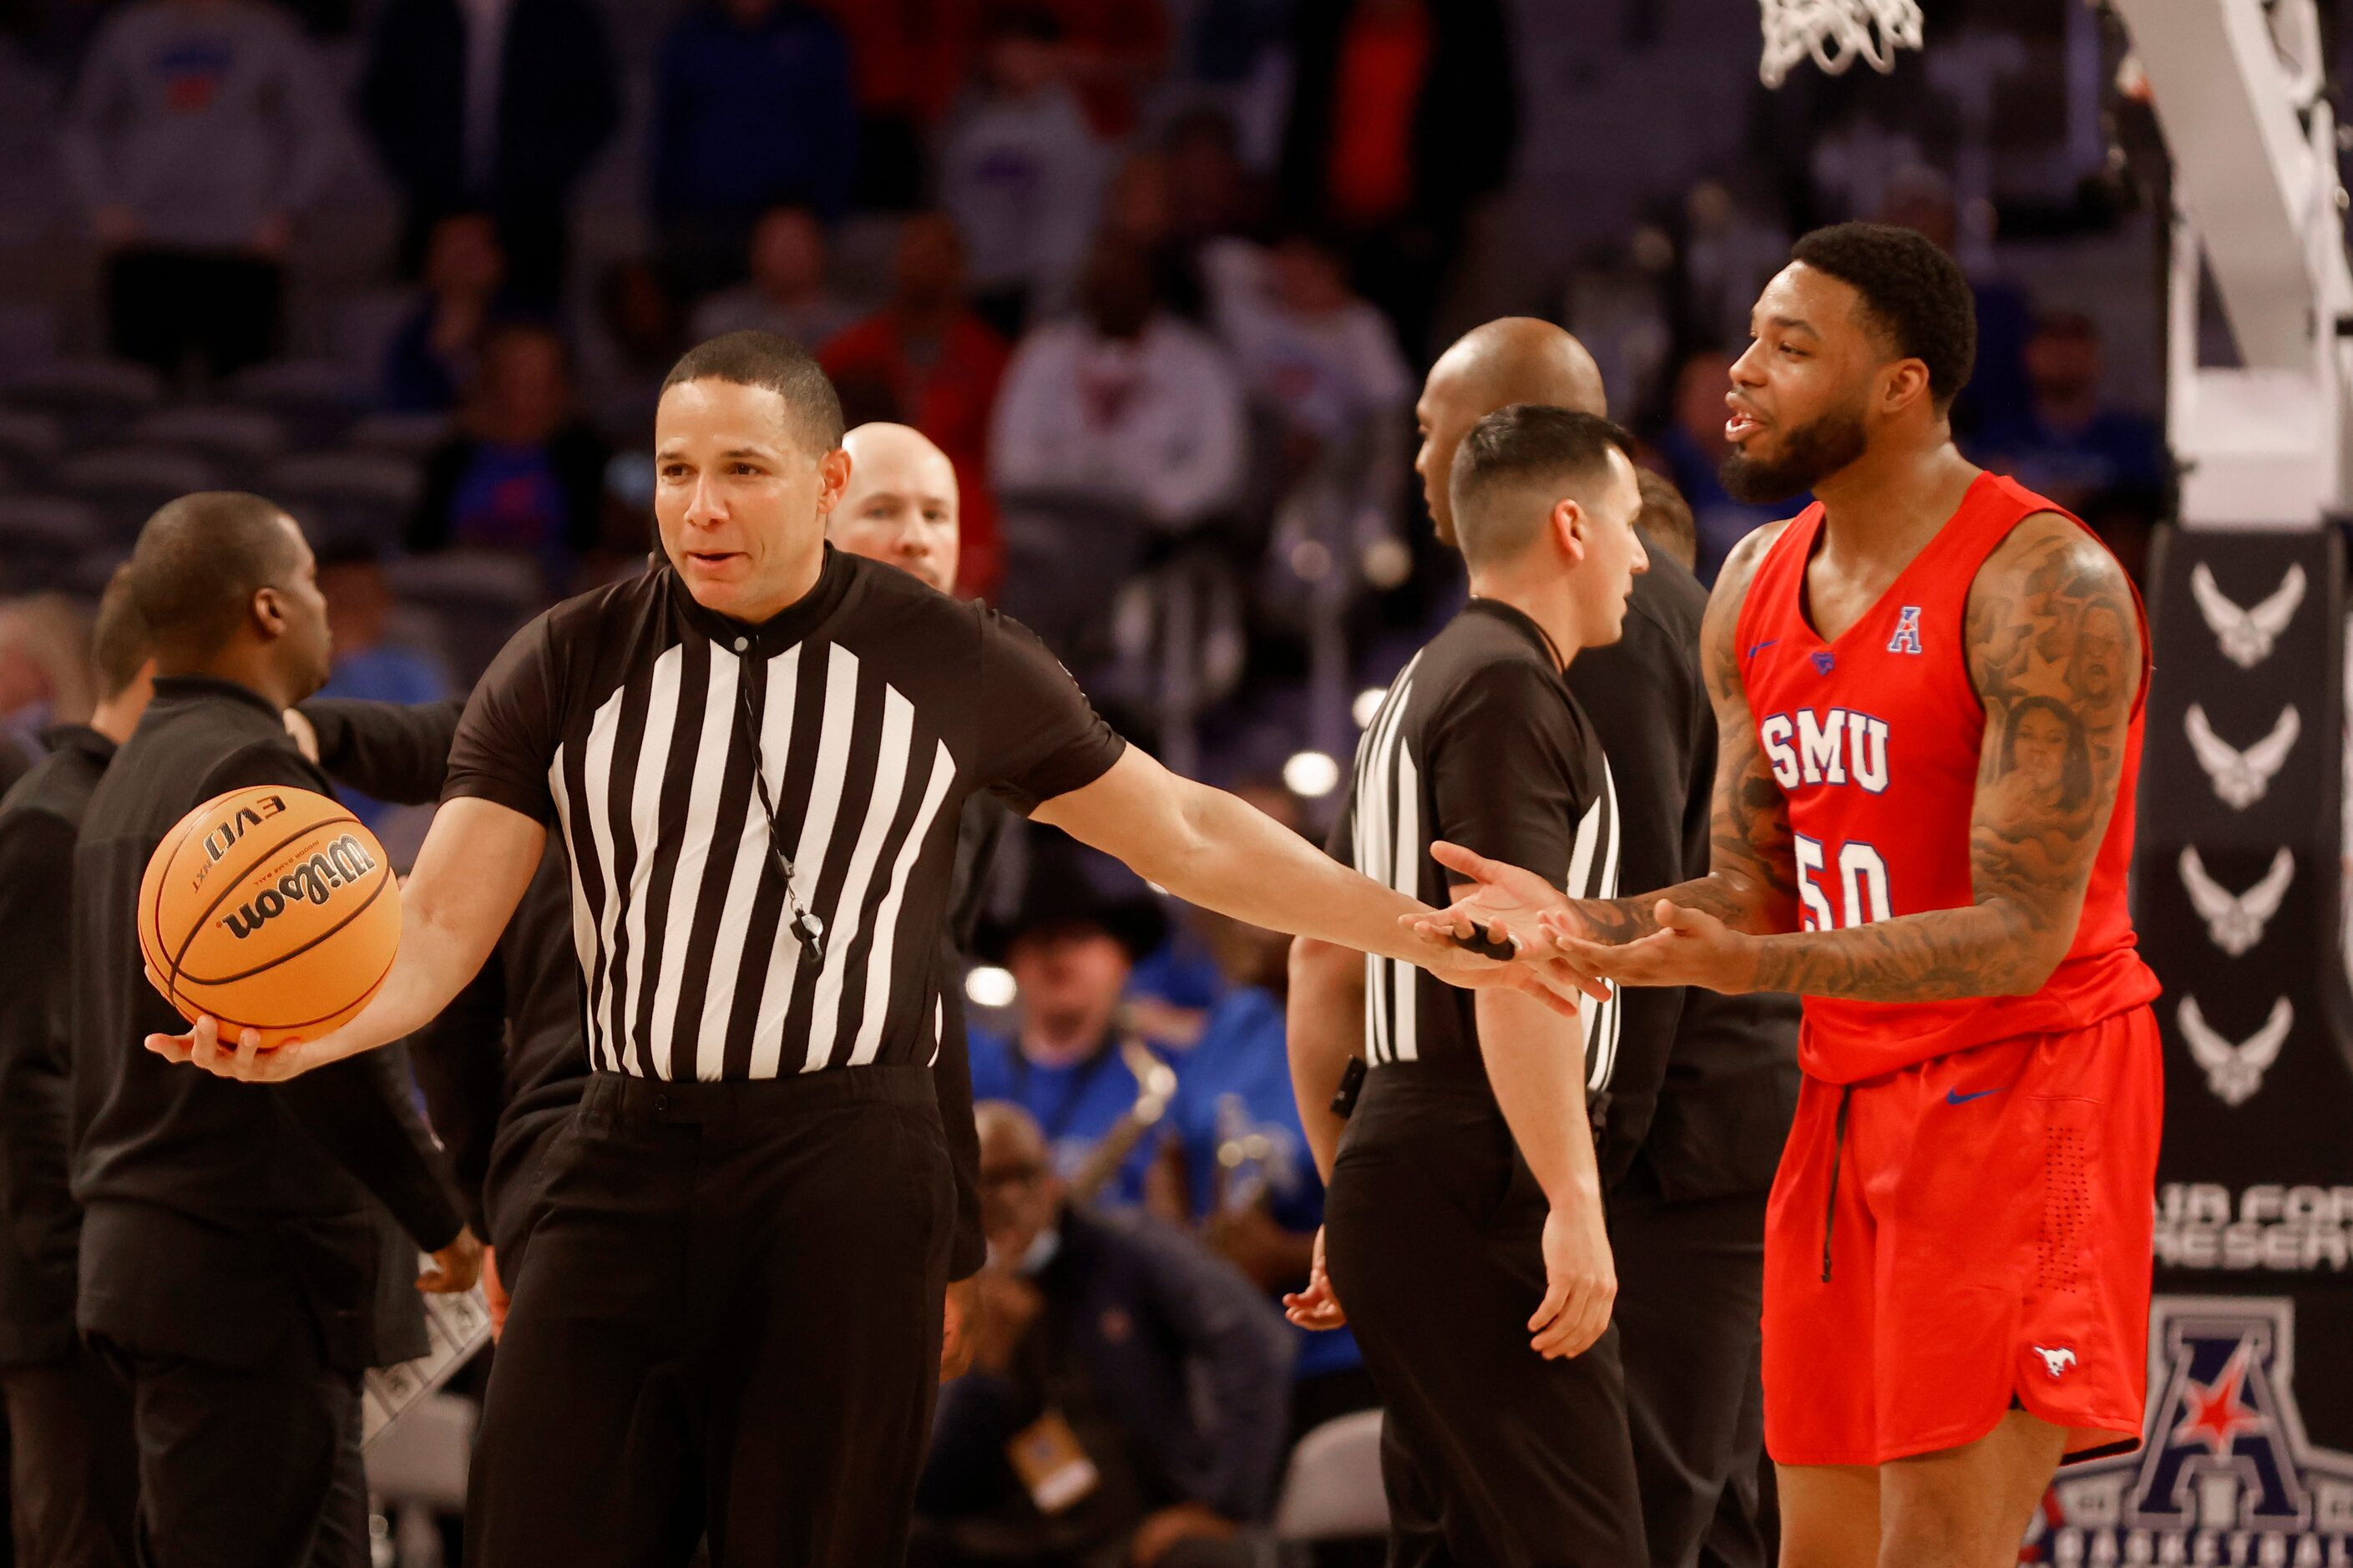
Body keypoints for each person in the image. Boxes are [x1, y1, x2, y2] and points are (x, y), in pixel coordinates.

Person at [150, 330, 1547, 1567]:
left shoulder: (950, 657)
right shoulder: (565, 659)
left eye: (743, 469)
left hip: (845, 1159)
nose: (700, 504)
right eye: (674, 468)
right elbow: (443, 921)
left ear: (824, 486)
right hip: (620, 1143)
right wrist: (309, 1032)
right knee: (538, 1519)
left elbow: (1183, 829)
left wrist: (1409, 926)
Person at [1419, 224, 2163, 1568]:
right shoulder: (1755, 580)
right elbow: (1753, 887)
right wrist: (1583, 924)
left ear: (1901, 385)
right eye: (1751, 336)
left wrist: (1740, 970)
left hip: (2022, 1082)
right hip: (1841, 1090)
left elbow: (2021, 933)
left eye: (1789, 346)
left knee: (1936, 1546)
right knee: (1810, 1545)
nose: (1740, 372)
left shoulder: (2043, 583)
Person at [1396, 316, 1799, 1567]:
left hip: (1669, 1142)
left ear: (1511, 445)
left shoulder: (1604, 633)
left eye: (1432, 433)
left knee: (1642, 1507)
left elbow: (1626, 918)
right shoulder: (1614, 620)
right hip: (1709, 1131)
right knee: (1714, 1507)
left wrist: (1579, 1179)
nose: (1420, 464)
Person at [73, 493, 483, 1568]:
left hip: (160, 1255)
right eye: (309, 584)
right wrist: (441, 1216)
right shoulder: (249, 782)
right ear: (267, 608)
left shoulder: (127, 774)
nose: (323, 610)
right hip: (246, 1275)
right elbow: (325, 1047)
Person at [1285, 403, 1650, 1566]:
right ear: (1571, 526)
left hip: (1405, 1150)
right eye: (1631, 524)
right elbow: (1509, 959)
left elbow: (1317, 956)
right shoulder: (1507, 687)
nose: (1642, 556)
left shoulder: (1411, 688)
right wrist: (1572, 1197)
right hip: (1482, 1158)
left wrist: (1349, 1185)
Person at [912, 1102, 1289, 1568]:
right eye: (988, 1182)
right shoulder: (939, 1287)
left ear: (1053, 1183)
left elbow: (1254, 1344)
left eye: (1024, 1177)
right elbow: (931, 1489)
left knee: (1205, 1557)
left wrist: (1223, 1503)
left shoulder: (1121, 1247)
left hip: (1135, 1529)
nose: (1010, 1199)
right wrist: (983, 1370)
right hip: (1007, 1535)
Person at [0, 571, 151, 1568]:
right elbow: (27, 1079)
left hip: (108, 1287)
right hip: (63, 1302)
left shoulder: (111, 815)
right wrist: (80, 1282)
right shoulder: (55, 824)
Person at [58, 0, 335, 382]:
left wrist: (288, 211)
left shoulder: (268, 32)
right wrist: (101, 204)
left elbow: (318, 128)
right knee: (138, 390)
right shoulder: (127, 31)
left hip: (244, 245)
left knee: (247, 394)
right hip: (144, 242)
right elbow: (81, 127)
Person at [1275, 0, 1515, 355]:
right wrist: (1295, 216)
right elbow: (1304, 112)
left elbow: (1491, 121)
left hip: (1418, 233)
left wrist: (1440, 215)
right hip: (1330, 225)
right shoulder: (1329, 14)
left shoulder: (1468, 21)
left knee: (1408, 351)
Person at [357, 0, 620, 304]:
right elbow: (383, 106)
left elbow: (594, 111)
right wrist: (436, 193)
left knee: (528, 332)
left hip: (534, 223)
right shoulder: (411, 15)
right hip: (433, 216)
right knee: (432, 332)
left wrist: (532, 185)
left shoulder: (567, 17)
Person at [969, 832, 1176, 1207]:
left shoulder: (1168, 1081)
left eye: (1081, 937)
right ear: (1012, 960)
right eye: (1041, 939)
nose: (1059, 956)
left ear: (1123, 959)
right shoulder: (967, 1073)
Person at [989, 234, 1247, 534]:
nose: (1111, 289)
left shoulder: (1197, 362)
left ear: (1151, 285)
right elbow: (1010, 455)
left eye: (1124, 278)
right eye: (1102, 277)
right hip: (1055, 520)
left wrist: (1155, 508)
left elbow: (1219, 466)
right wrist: (1063, 500)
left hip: (1155, 533)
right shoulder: (1045, 352)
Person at [822, 215, 1013, 599]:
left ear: (960, 266)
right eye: (914, 253)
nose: (924, 265)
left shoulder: (992, 360)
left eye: (936, 254)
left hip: (968, 499)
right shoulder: (849, 352)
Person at [651, 0, 858, 298]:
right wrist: (668, 220)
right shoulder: (690, 35)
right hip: (704, 224)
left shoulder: (816, 33)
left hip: (792, 220)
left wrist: (825, 216)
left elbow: (838, 133)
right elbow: (669, 135)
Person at [938, 4, 1111, 336]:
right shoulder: (972, 127)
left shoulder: (1074, 131)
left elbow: (1071, 226)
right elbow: (951, 208)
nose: (1016, 59)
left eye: (1029, 48)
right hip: (973, 288)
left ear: (1055, 55)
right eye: (1009, 47)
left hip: (1036, 292)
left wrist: (1052, 302)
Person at [407, 321, 615, 570]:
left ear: (560, 383)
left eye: (538, 374)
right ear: (490, 379)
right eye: (515, 372)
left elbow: (598, 548)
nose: (525, 385)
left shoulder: (585, 454)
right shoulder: (453, 455)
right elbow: (421, 543)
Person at [1970, 311, 2167, 513]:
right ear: (2029, 355)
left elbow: (2141, 512)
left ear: (2096, 357)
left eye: (2075, 344)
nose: (2064, 356)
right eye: (2053, 344)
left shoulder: (2130, 439)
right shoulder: (1997, 438)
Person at [381, 212, 511, 415]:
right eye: (452, 252)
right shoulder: (410, 334)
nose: (462, 267)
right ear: (430, 263)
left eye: (471, 253)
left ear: (498, 260)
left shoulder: (526, 325)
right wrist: (440, 354)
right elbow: (407, 409)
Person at [690, 205, 860, 352]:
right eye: (777, 241)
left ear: (822, 249)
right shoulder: (719, 321)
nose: (788, 252)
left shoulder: (853, 327)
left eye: (797, 241)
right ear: (754, 251)